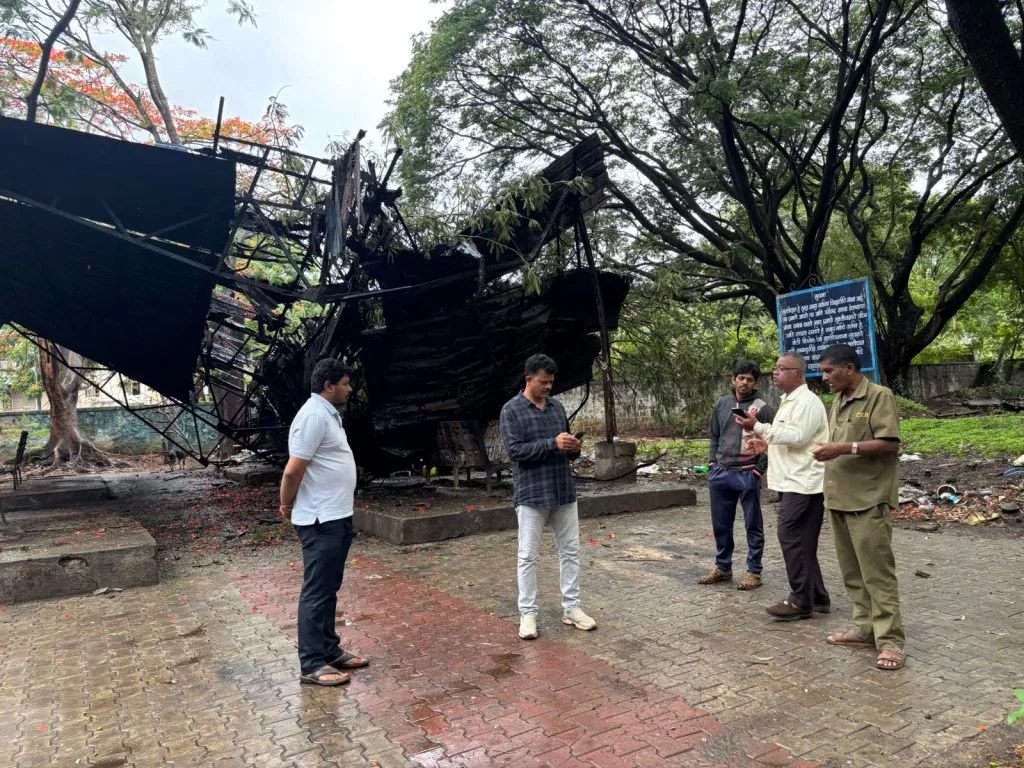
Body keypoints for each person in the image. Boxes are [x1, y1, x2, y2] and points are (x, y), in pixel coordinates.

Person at [811, 344, 906, 671]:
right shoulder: (837, 402)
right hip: (839, 498)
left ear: (849, 368)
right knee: (852, 572)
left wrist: (843, 447)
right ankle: (864, 627)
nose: (824, 378)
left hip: (868, 499)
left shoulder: (880, 397)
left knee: (877, 573)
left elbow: (890, 445)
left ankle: (891, 640)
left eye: (828, 371)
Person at [279, 358, 369, 686]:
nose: (349, 388)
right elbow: (293, 469)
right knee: (316, 590)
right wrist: (285, 502)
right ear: (328, 386)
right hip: (319, 519)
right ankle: (311, 663)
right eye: (344, 383)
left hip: (337, 515)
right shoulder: (314, 416)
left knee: (330, 586)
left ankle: (329, 650)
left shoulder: (328, 415)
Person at [499, 353, 596, 640]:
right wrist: (553, 444)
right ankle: (527, 614)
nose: (548, 387)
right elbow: (516, 452)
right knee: (528, 556)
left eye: (551, 383)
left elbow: (563, 449)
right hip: (531, 493)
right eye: (543, 382)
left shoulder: (556, 408)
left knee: (571, 551)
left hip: (563, 490)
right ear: (528, 379)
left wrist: (572, 446)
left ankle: (572, 608)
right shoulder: (511, 411)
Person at [737, 352, 830, 620]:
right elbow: (791, 440)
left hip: (804, 482)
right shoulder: (788, 401)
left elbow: (799, 438)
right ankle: (818, 597)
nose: (775, 373)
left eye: (781, 368)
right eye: (775, 368)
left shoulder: (807, 402)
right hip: (792, 479)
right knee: (803, 540)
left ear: (798, 374)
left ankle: (800, 600)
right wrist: (765, 444)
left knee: (790, 536)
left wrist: (759, 428)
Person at [700, 361, 775, 590]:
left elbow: (770, 442)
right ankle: (723, 567)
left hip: (747, 473)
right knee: (721, 524)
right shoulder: (721, 404)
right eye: (741, 378)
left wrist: (757, 471)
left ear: (755, 383)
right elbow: (714, 435)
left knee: (753, 524)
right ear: (733, 379)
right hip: (721, 472)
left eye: (750, 379)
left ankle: (754, 571)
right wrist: (713, 462)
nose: (744, 383)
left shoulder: (763, 408)